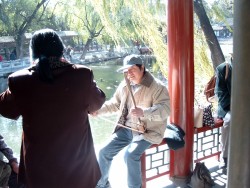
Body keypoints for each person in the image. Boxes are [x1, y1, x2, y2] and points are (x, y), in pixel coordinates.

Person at [0, 28, 106, 188]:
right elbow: (97, 103)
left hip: (39, 171)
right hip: (79, 167)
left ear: (33, 51)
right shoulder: (82, 75)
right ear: (60, 49)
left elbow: (6, 109)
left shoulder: (19, 81)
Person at [92, 54, 171, 188]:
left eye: (132, 70)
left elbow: (165, 110)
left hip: (147, 131)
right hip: (127, 128)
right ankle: (103, 184)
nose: (129, 74)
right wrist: (98, 110)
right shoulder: (125, 84)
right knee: (103, 152)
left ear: (142, 68)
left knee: (130, 155)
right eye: (126, 71)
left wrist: (144, 112)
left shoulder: (157, 86)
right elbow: (115, 104)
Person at [215, 52, 233, 169]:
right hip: (228, 107)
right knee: (230, 121)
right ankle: (225, 157)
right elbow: (220, 93)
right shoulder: (223, 68)